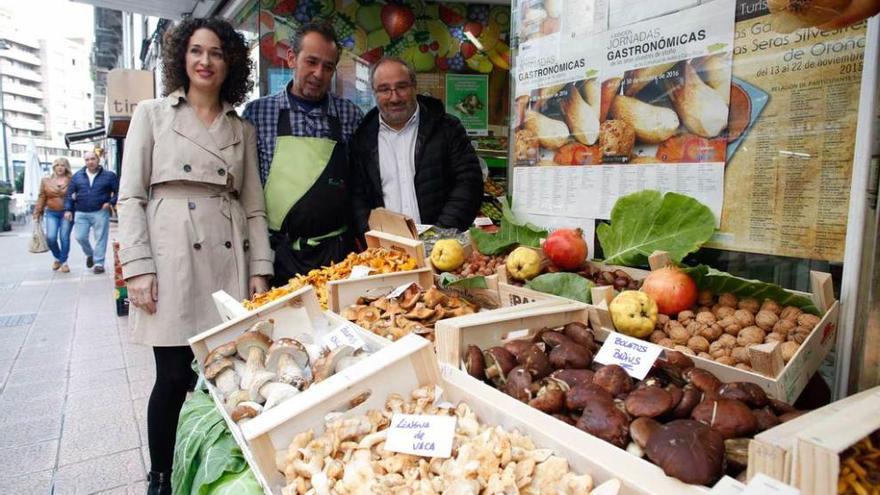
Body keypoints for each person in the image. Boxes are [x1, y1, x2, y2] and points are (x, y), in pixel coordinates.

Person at [116, 18, 272, 495]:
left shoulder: (240, 128)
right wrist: (137, 269)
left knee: (230, 372)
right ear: (182, 57)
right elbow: (130, 197)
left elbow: (253, 206)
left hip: (227, 257)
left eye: (217, 53)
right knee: (171, 375)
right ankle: (160, 476)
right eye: (197, 51)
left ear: (231, 64)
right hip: (171, 254)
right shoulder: (152, 114)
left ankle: (226, 465)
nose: (205, 61)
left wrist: (261, 270)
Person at [243, 21, 363, 286]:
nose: (318, 73)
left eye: (328, 66)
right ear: (291, 59)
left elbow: (359, 185)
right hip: (278, 255)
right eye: (311, 61)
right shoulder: (257, 113)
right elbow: (248, 195)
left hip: (337, 256)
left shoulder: (349, 115)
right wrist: (257, 263)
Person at [350, 57, 482, 234]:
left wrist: (439, 235)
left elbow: (469, 183)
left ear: (414, 87)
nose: (394, 97)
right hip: (386, 252)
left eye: (402, 87)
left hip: (441, 248)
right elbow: (357, 197)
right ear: (374, 93)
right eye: (384, 90)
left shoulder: (447, 128)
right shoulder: (362, 139)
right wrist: (371, 234)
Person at [63, 150, 118, 274]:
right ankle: (90, 254)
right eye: (87, 160)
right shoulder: (77, 176)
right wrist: (68, 209)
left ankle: (99, 263)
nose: (90, 162)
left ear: (98, 160)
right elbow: (69, 195)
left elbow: (118, 191)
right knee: (80, 237)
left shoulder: (109, 176)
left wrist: (110, 202)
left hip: (100, 211)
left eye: (93, 159)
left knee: (100, 238)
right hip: (81, 212)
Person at [33, 158, 73, 272]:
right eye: (57, 165)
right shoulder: (45, 181)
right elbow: (41, 197)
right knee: (51, 238)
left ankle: (64, 262)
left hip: (67, 212)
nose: (60, 167)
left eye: (63, 165)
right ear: (54, 167)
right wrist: (37, 212)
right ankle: (57, 258)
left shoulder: (71, 180)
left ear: (66, 167)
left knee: (64, 237)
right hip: (51, 212)